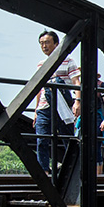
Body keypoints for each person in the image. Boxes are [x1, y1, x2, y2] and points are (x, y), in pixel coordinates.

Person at [32, 29, 80, 173]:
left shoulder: (68, 61)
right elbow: (39, 89)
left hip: (62, 107)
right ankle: (44, 171)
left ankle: (70, 170)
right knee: (42, 139)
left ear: (56, 43)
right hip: (44, 107)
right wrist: (36, 110)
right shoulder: (41, 64)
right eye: (41, 43)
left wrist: (77, 101)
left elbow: (76, 82)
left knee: (67, 139)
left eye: (47, 42)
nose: (44, 46)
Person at [72, 72, 104, 174]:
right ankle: (89, 174)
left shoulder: (100, 85)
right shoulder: (82, 86)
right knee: (84, 146)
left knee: (95, 147)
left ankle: (98, 176)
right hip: (85, 118)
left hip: (97, 117)